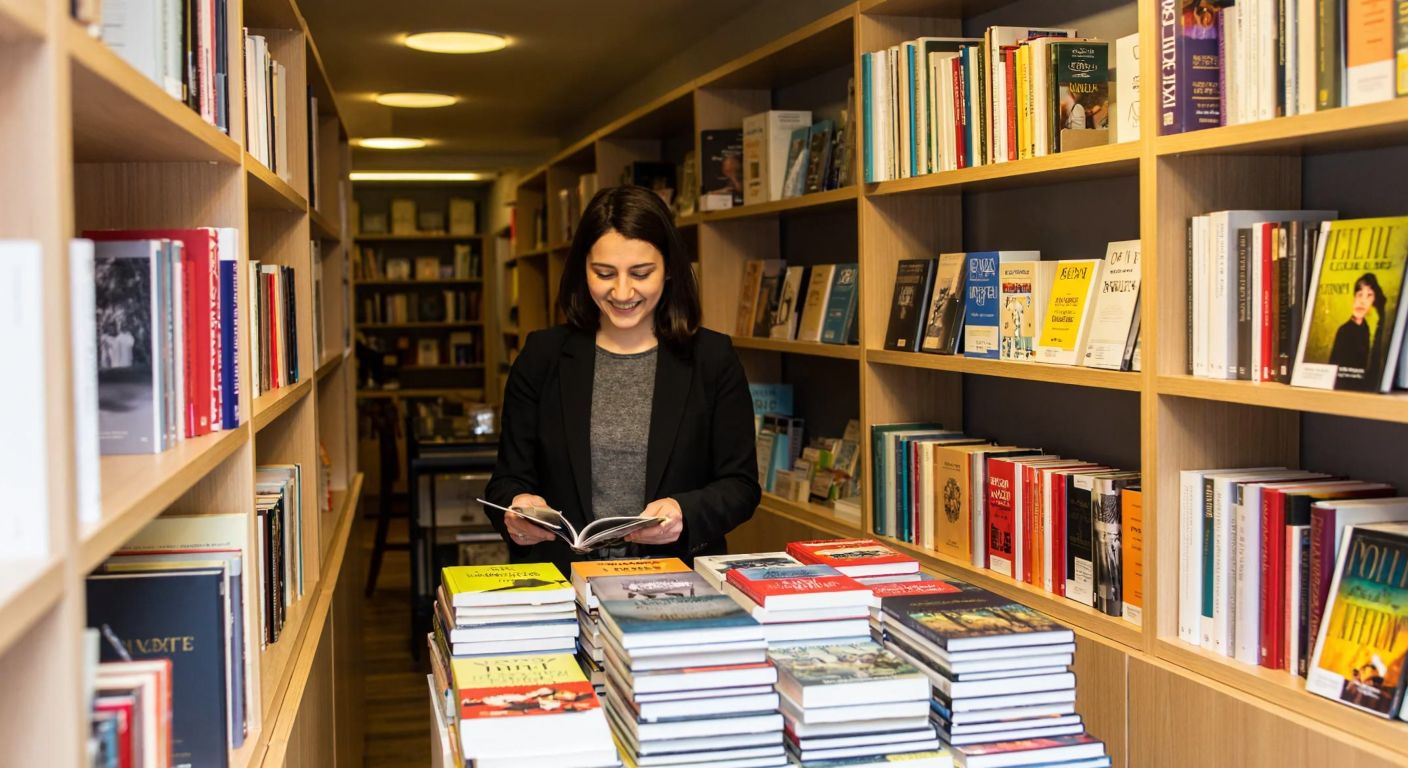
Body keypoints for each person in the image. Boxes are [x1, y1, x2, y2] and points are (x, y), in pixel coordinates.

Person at [483, 185, 761, 576]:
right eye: (604, 273)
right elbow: (506, 479)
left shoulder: (712, 359)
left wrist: (684, 511)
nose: (622, 291)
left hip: (677, 581)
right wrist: (517, 507)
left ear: (668, 272)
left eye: (641, 273)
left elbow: (740, 485)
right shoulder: (541, 357)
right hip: (564, 583)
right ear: (584, 270)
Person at [1328, 272, 1386, 389]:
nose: (1362, 301)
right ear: (1354, 297)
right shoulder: (1344, 331)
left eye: (1369, 295)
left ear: (1373, 301)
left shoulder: (1368, 328)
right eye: (1360, 294)